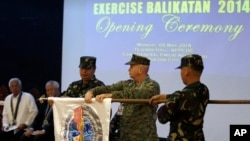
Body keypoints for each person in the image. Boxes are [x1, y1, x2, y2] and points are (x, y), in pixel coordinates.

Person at [85, 54, 160, 141]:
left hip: (144, 137)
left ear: (140, 70)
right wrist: (92, 92)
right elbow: (108, 88)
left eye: (131, 67)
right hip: (125, 137)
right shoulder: (127, 84)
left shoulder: (152, 86)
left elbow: (136, 94)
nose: (129, 69)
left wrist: (112, 95)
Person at [149, 54, 210, 141]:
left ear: (186, 72)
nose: (181, 73)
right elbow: (189, 96)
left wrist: (169, 100)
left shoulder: (179, 96)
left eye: (181, 69)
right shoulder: (204, 90)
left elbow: (162, 117)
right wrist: (167, 97)